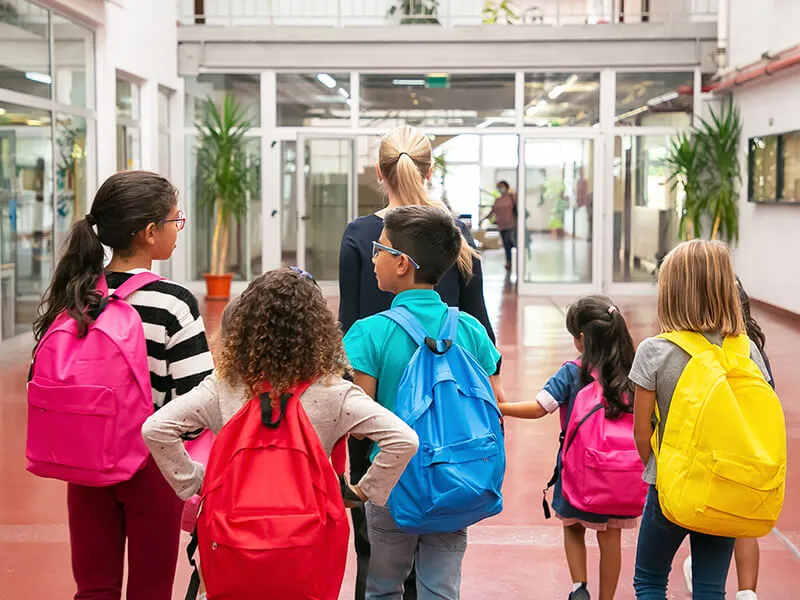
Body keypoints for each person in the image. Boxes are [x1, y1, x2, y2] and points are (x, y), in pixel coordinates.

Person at [32, 171, 214, 600]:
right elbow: (197, 399)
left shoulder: (75, 293)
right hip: (151, 467)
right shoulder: (173, 301)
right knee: (150, 589)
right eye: (175, 221)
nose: (178, 229)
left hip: (85, 463)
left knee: (93, 588)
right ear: (151, 233)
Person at [338, 125, 501, 600]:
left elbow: (349, 320)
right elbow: (480, 326)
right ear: (431, 170)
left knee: (379, 550)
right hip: (450, 433)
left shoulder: (363, 235)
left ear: (378, 173)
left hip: (381, 408)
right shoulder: (454, 235)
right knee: (441, 556)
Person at [630, 240, 773, 600]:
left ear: (671, 291)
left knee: (649, 581)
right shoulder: (746, 349)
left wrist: (658, 468)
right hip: (724, 485)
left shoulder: (655, 351)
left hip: (669, 487)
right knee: (710, 587)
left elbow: (641, 430)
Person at [497, 295, 640, 600]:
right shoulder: (631, 372)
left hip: (579, 469)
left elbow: (539, 408)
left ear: (581, 340)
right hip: (620, 474)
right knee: (610, 536)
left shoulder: (572, 372)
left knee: (574, 526)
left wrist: (502, 408)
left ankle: (580, 587)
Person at [682, 277, 774, 600]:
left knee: (710, 518)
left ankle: (702, 569)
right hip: (752, 450)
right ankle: (747, 592)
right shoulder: (753, 350)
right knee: (744, 525)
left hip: (714, 455)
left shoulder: (702, 349)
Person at [480, 180, 517, 272]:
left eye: (502, 186)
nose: (501, 189)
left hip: (511, 225)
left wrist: (517, 224)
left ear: (507, 187)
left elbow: (516, 211)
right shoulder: (498, 200)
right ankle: (509, 261)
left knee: (510, 243)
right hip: (501, 226)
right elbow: (492, 211)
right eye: (499, 187)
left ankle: (514, 261)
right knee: (506, 244)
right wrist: (482, 220)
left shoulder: (512, 198)